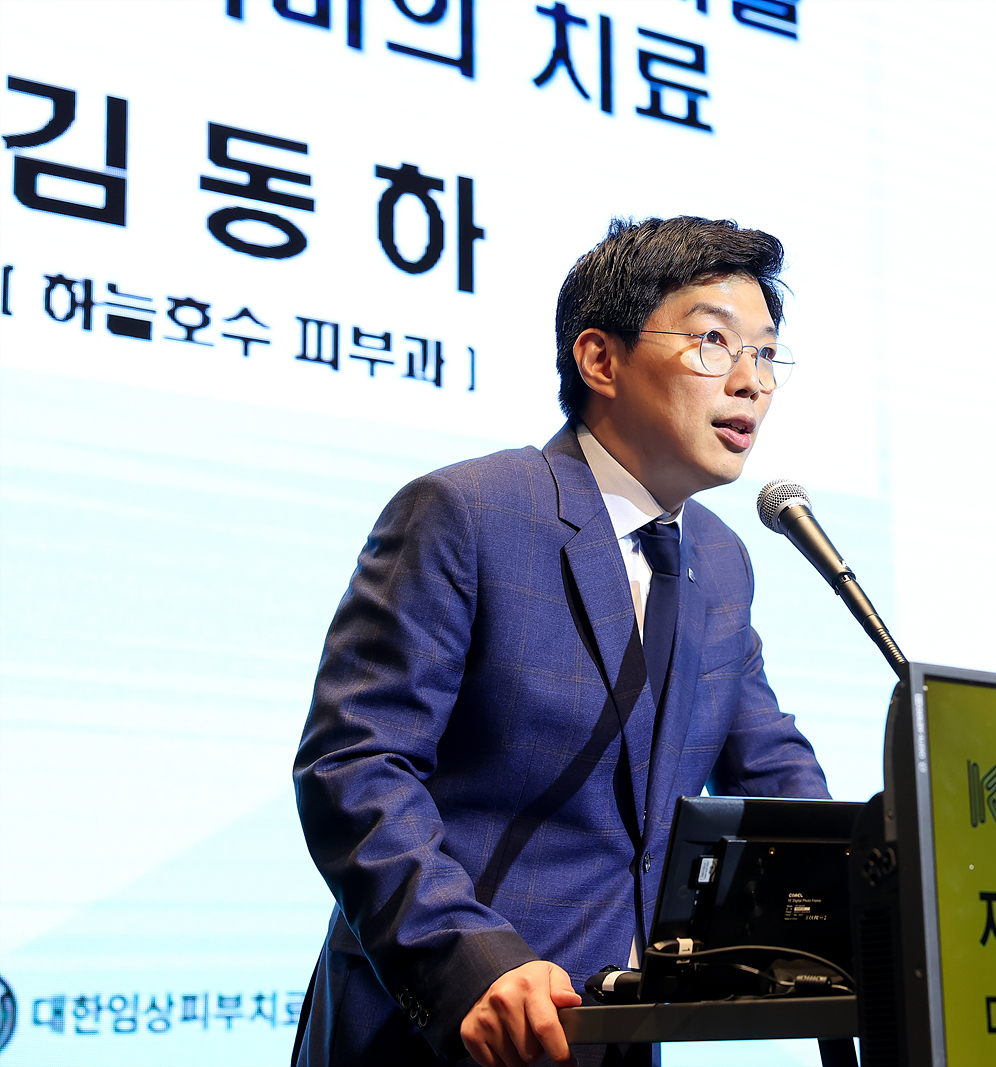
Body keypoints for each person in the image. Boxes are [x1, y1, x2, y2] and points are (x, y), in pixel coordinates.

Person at [291, 217, 830, 1067]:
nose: (751, 381)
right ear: (600, 360)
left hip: (616, 1033)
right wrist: (471, 965)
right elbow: (355, 765)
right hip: (448, 1029)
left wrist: (875, 885)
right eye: (713, 342)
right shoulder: (469, 512)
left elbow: (770, 774)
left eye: (766, 353)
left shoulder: (720, 559)